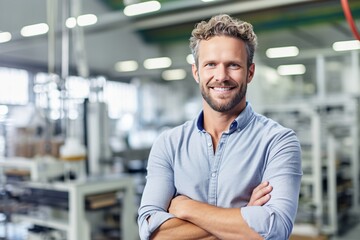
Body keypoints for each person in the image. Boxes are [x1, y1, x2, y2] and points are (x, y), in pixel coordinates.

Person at [137, 14, 302, 240]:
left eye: (233, 65)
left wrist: (187, 209)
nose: (221, 76)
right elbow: (151, 232)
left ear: (250, 72)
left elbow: (275, 229)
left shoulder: (278, 141)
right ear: (197, 72)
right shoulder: (169, 144)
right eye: (211, 65)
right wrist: (245, 214)